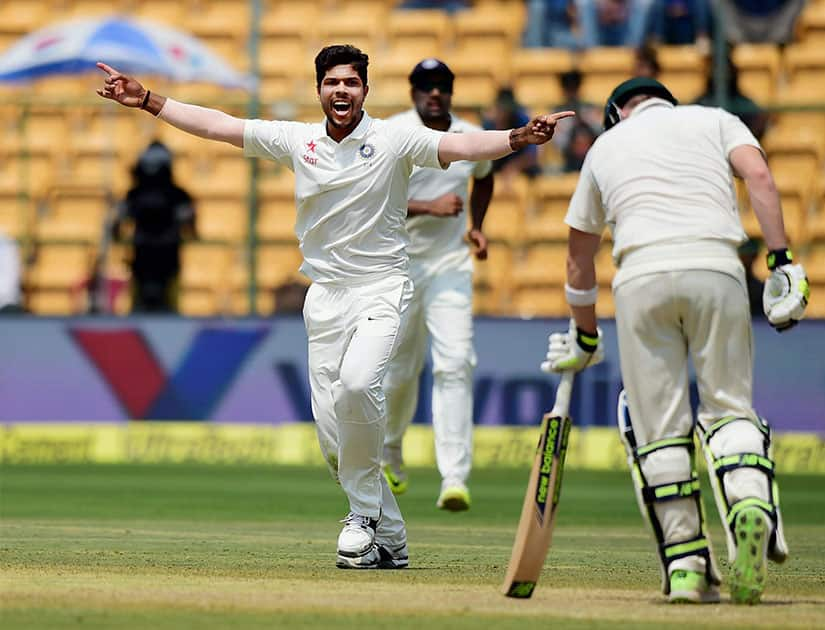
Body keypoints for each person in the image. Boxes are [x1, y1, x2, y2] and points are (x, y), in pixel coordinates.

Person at [95, 45, 572, 569]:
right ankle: (391, 537)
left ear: (365, 90)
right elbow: (219, 125)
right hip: (323, 297)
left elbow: (461, 146)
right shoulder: (298, 140)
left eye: (350, 83)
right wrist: (147, 101)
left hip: (382, 287)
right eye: (331, 83)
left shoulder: (395, 138)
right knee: (331, 440)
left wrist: (519, 137)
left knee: (357, 385)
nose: (340, 91)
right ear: (318, 89)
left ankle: (362, 521)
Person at [539, 77, 807, 604]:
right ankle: (750, 504)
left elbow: (578, 255)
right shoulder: (713, 119)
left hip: (641, 274)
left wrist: (585, 335)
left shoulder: (604, 146)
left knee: (658, 428)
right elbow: (759, 175)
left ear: (618, 112)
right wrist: (781, 261)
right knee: (729, 409)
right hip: (717, 266)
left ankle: (686, 566)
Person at [380, 59, 494, 511]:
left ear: (451, 92)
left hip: (451, 265)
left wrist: (477, 224)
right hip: (398, 266)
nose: (434, 94)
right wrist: (428, 206)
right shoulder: (392, 134)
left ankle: (454, 477)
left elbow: (484, 178)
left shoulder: (468, 134)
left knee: (455, 364)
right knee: (398, 371)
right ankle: (389, 452)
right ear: (413, 93)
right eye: (426, 87)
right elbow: (372, 198)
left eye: (442, 87)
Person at [112, 140, 195, 313]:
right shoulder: (179, 195)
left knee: (140, 308)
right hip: (166, 259)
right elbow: (191, 228)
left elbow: (117, 226)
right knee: (169, 309)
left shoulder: (133, 194)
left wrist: (118, 236)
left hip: (143, 258)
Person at [695, 55, 768, 139]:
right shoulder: (701, 102)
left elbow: (759, 124)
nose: (721, 75)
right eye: (716, 70)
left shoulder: (742, 102)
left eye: (725, 71)